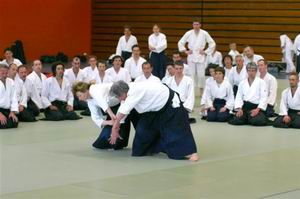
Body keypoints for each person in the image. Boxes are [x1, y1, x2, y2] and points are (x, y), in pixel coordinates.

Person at [109, 81, 198, 161]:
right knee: (143, 132)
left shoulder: (135, 90)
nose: (119, 99)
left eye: (118, 96)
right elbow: (123, 109)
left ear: (122, 92)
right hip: (153, 110)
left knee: (175, 132)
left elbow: (123, 111)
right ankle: (152, 148)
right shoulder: (129, 91)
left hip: (169, 106)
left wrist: (115, 128)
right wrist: (117, 125)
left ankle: (190, 153)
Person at [72, 82, 130, 149]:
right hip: (112, 108)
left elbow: (101, 100)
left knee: (119, 129)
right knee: (103, 139)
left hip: (124, 100)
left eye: (80, 95)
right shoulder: (90, 101)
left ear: (85, 91)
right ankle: (117, 143)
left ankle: (120, 143)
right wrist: (110, 122)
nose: (79, 99)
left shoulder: (93, 89)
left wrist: (112, 115)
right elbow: (95, 118)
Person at [178, 19, 216, 97]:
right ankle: (191, 93)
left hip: (200, 55)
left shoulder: (204, 33)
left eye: (197, 24)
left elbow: (212, 43)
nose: (196, 26)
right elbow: (181, 42)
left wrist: (205, 51)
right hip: (191, 56)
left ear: (200, 25)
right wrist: (185, 51)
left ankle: (201, 93)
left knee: (201, 75)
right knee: (191, 75)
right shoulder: (188, 33)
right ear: (192, 25)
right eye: (194, 24)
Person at [0, 64, 18, 129]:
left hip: (7, 110)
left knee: (14, 123)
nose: (5, 75)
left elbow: (14, 98)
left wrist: (12, 112)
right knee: (3, 124)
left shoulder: (10, 81)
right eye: (2, 73)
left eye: (6, 73)